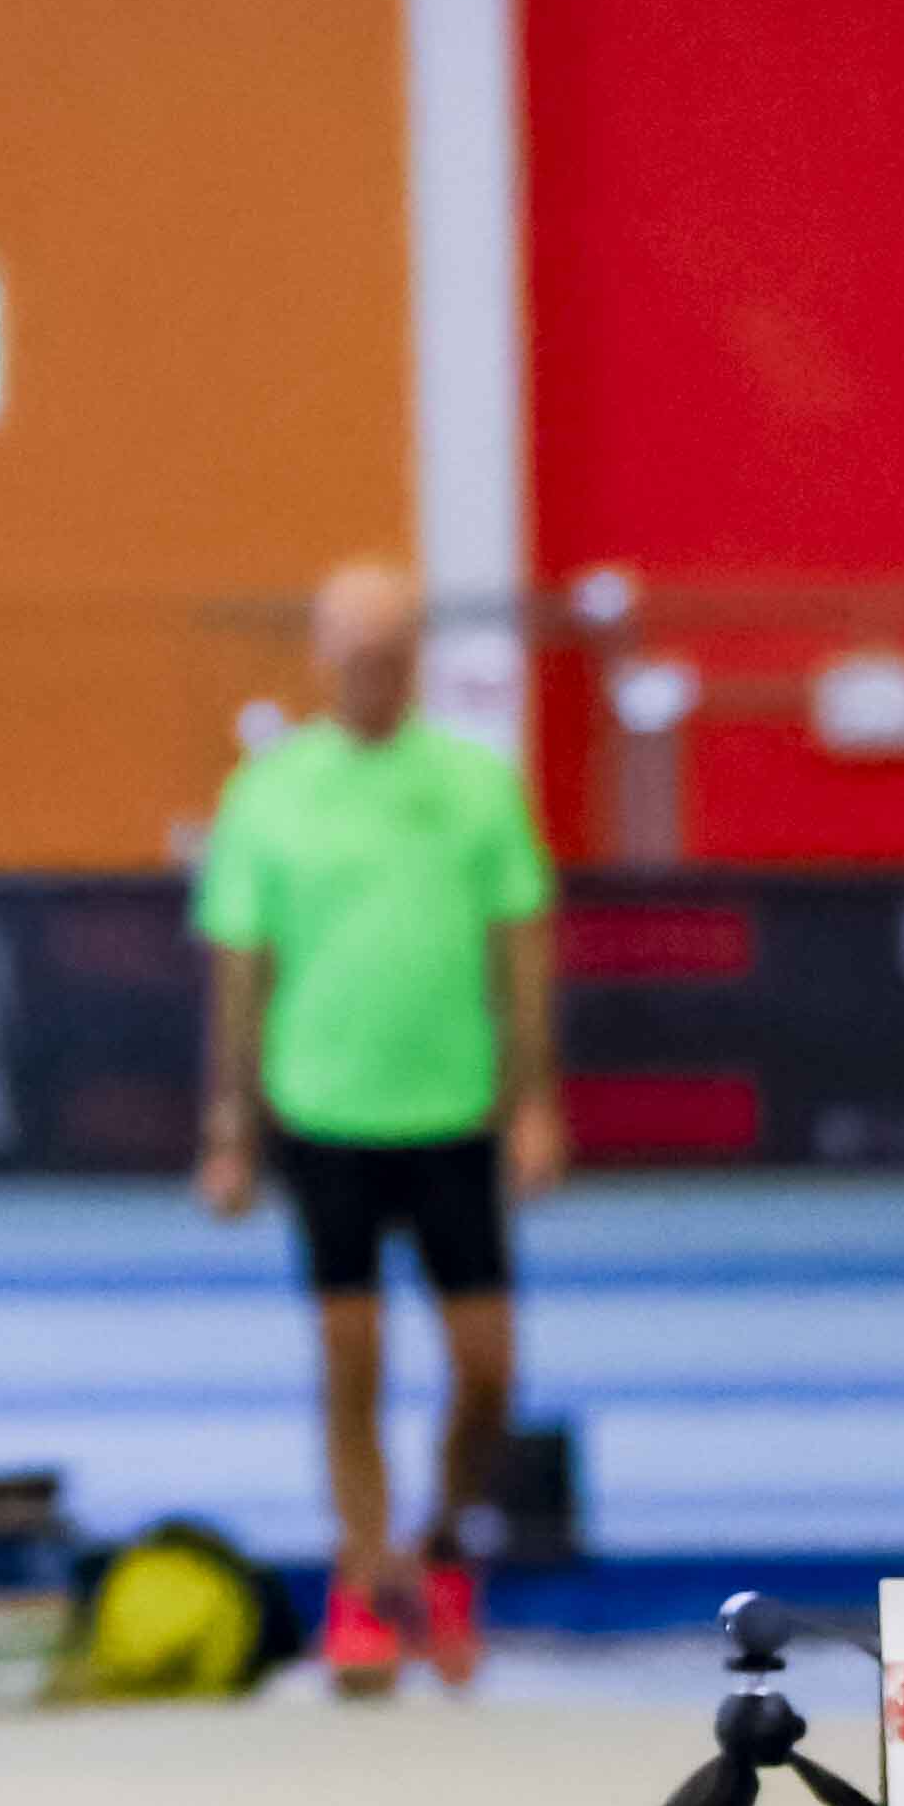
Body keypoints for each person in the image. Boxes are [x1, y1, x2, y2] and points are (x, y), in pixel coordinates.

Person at [195, 560, 567, 1695]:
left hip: (452, 1110)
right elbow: (239, 967)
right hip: (324, 1111)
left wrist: (535, 1100)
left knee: (486, 1366)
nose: (374, 674)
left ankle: (440, 1545)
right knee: (348, 1354)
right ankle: (363, 1579)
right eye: (356, 655)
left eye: (393, 655)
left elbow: (521, 949)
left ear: (417, 661)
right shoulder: (268, 793)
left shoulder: (476, 785)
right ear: (322, 659)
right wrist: (228, 1126)